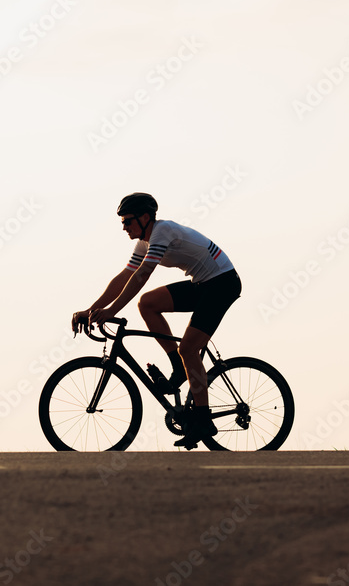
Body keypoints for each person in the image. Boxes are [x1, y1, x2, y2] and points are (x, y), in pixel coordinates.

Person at [71, 192, 241, 447]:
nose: (124, 227)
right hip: (202, 284)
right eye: (122, 222)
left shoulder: (163, 232)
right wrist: (92, 309)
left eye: (128, 221)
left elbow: (142, 276)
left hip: (222, 284)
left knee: (189, 348)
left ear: (145, 217)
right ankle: (177, 366)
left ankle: (204, 420)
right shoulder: (144, 242)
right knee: (147, 303)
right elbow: (124, 277)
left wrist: (112, 311)